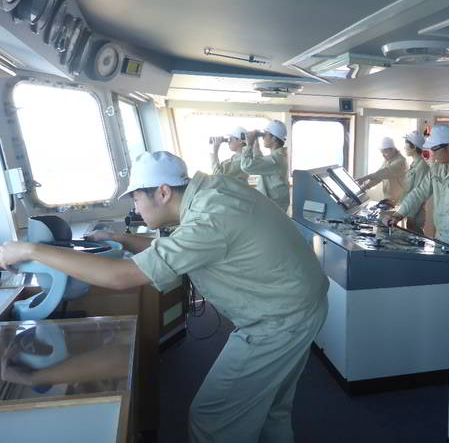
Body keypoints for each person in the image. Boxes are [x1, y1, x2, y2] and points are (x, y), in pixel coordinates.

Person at [0, 151, 329, 443]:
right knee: (269, 406)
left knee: (213, 417)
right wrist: (120, 238)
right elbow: (173, 248)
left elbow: (121, 277)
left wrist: (31, 250)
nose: (135, 207)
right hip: (298, 305)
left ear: (162, 192)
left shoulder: (211, 218)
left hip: (277, 321)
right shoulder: (213, 194)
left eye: (136, 198)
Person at [385, 125, 449, 245]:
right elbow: (419, 192)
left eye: (434, 149)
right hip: (439, 235)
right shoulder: (437, 168)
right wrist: (398, 215)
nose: (433, 154)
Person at [240, 120, 290, 212]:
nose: (263, 137)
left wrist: (249, 145)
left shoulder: (275, 159)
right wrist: (255, 141)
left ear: (274, 139)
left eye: (265, 134)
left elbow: (246, 166)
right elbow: (259, 162)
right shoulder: (278, 156)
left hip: (274, 208)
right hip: (272, 206)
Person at [356, 137, 407, 204]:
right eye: (382, 152)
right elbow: (378, 177)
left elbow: (381, 173)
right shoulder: (388, 160)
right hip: (389, 200)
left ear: (393, 150)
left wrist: (364, 178)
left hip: (399, 202)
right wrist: (363, 188)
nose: (383, 155)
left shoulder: (400, 161)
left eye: (385, 152)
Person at [401, 130, 430, 234]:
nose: (404, 147)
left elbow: (418, 194)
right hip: (409, 211)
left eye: (406, 144)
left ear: (413, 147)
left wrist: (411, 216)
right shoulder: (414, 164)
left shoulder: (422, 167)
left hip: (415, 215)